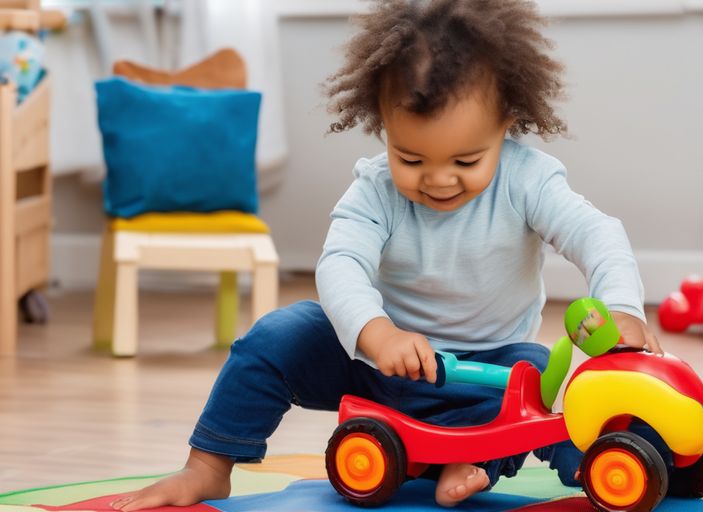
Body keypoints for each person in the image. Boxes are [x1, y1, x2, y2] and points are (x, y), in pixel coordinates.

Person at [112, 0, 660, 509]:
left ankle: (495, 459)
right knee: (276, 335)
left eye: (466, 161)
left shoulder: (529, 180)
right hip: (380, 364)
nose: (440, 180)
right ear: (382, 122)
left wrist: (622, 307)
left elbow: (597, 234)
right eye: (411, 157)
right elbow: (341, 266)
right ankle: (209, 463)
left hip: (488, 374)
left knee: (543, 375)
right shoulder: (373, 190)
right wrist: (377, 333)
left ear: (506, 124)